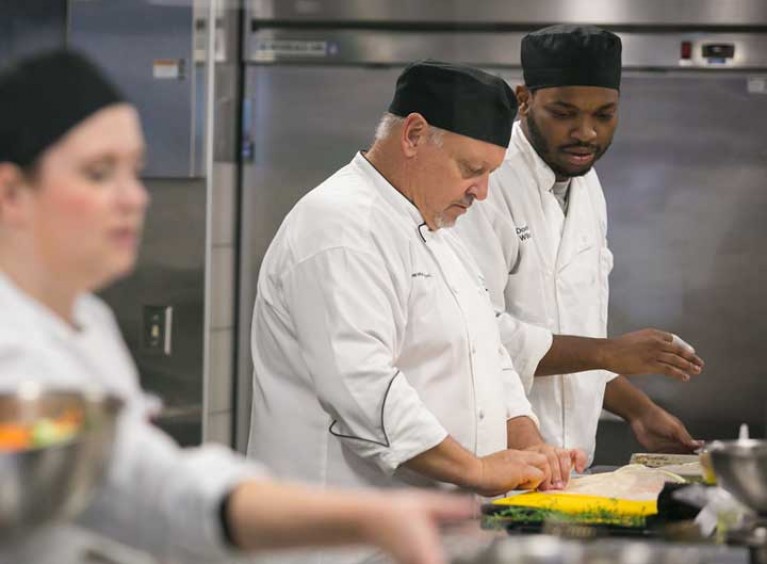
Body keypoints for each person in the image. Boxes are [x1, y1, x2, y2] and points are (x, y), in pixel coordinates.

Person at [0, 50, 473, 564]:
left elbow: (152, 484)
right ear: (10, 192)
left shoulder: (88, 323)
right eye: (97, 174)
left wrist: (369, 518)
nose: (134, 198)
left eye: (135, 171)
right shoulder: (12, 340)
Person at [248, 60, 587, 521]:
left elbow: (488, 350)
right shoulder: (340, 227)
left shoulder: (438, 230)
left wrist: (529, 445)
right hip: (344, 538)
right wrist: (475, 469)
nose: (482, 192)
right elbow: (364, 390)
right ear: (413, 135)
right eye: (472, 169)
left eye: (491, 173)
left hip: (431, 529)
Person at [455, 25, 704, 467]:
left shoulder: (585, 185)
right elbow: (473, 334)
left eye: (604, 115)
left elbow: (571, 322)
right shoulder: (486, 183)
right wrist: (611, 352)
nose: (585, 133)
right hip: (493, 456)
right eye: (564, 113)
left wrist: (638, 410)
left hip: (568, 462)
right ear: (524, 99)